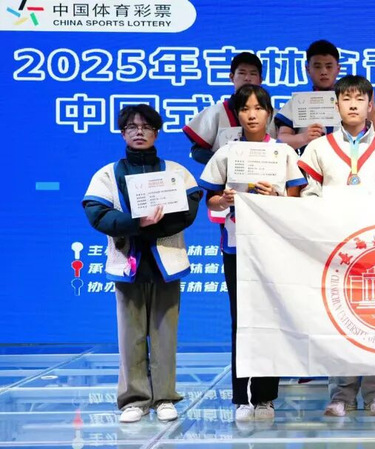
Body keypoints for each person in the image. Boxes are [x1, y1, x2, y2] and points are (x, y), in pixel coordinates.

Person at [82, 104, 202, 423]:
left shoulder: (176, 172)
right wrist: (137, 223)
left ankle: (164, 397)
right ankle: (134, 400)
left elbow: (188, 212)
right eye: (132, 127)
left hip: (166, 264)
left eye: (146, 127)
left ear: (156, 133)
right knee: (130, 335)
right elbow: (97, 213)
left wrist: (151, 225)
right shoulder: (107, 174)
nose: (139, 132)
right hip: (128, 263)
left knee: (165, 334)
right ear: (123, 133)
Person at [198, 84, 307, 422]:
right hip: (237, 246)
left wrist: (277, 197)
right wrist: (225, 199)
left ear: (269, 113)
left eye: (259, 108)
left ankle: (265, 398)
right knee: (242, 321)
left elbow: (298, 200)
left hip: (274, 249)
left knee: (271, 320)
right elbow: (210, 201)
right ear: (237, 115)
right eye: (245, 109)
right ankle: (242, 398)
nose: (252, 115)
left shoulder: (284, 153)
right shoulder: (227, 153)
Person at [298, 75, 375, 416]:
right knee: (339, 320)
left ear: (371, 104)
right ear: (336, 104)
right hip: (335, 247)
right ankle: (341, 394)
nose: (354, 105)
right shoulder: (318, 147)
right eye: (346, 99)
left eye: (360, 99)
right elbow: (309, 193)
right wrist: (330, 220)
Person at [184, 52, 264, 164]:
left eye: (253, 74)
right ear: (231, 77)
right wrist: (224, 163)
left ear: (260, 80)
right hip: (223, 174)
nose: (247, 78)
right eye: (242, 73)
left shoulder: (274, 115)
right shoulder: (216, 112)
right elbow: (197, 152)